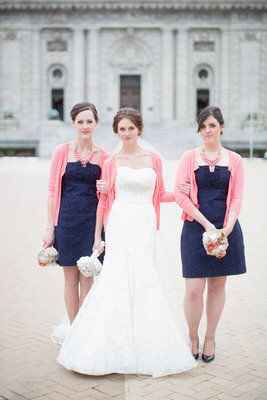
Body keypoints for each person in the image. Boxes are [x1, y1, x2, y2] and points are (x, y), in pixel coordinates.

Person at [57, 107, 196, 377]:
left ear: (139, 129)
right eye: (122, 129)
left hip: (144, 223)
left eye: (131, 128)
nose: (127, 133)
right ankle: (107, 344)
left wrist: (181, 193)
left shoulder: (153, 159)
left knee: (145, 277)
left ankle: (145, 343)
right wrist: (98, 236)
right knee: (116, 278)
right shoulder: (111, 161)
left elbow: (160, 194)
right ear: (116, 132)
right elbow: (103, 202)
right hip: (119, 223)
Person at [174, 106, 246, 363]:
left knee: (218, 285)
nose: (208, 130)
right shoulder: (189, 158)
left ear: (221, 127)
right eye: (204, 126)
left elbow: (237, 197)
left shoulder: (235, 160)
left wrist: (226, 229)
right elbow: (180, 196)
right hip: (196, 227)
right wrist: (206, 225)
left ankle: (210, 337)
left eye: (212, 125)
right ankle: (192, 335)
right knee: (194, 289)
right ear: (199, 129)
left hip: (226, 229)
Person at [43, 102, 108, 323]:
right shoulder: (62, 152)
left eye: (89, 121)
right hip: (67, 222)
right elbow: (52, 191)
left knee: (87, 278)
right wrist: (50, 227)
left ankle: (84, 331)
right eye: (80, 121)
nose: (85, 126)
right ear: (74, 123)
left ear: (96, 123)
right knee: (70, 279)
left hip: (91, 224)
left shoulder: (104, 157)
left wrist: (107, 188)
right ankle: (73, 330)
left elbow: (108, 195)